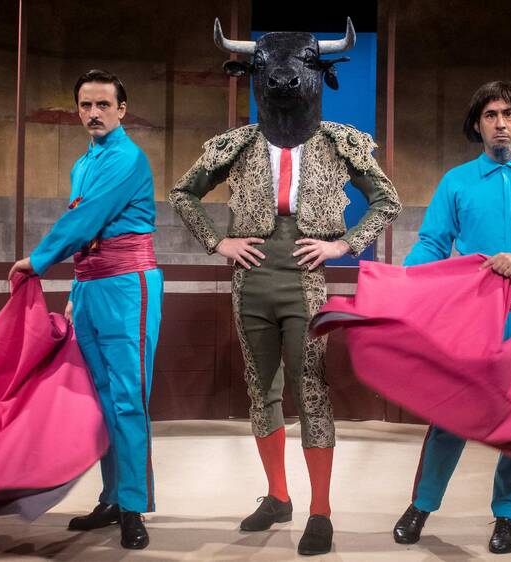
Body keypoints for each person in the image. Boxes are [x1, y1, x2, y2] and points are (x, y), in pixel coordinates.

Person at [170, 20, 401, 556]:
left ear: (319, 74)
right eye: (268, 68)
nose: (282, 77)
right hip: (250, 281)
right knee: (261, 389)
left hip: (306, 281)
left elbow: (387, 200)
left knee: (311, 388)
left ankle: (321, 510)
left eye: (300, 65)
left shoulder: (339, 141)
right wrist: (217, 242)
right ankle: (278, 496)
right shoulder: (237, 143)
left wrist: (344, 245)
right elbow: (183, 193)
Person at [393, 81, 511, 554]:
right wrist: (404, 282)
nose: (501, 123)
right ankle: (422, 504)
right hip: (470, 316)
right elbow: (433, 243)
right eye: (491, 115)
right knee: (451, 415)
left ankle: (507, 515)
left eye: (509, 114)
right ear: (476, 125)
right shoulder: (456, 182)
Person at [8, 69, 162, 550]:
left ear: (121, 110)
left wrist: (38, 260)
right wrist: (77, 288)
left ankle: (133, 506)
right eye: (85, 105)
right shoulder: (82, 164)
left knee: (128, 398)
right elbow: (85, 227)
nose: (93, 113)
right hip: (92, 287)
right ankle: (112, 498)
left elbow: (86, 218)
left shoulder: (127, 158)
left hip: (127, 287)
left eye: (103, 105)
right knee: (101, 400)